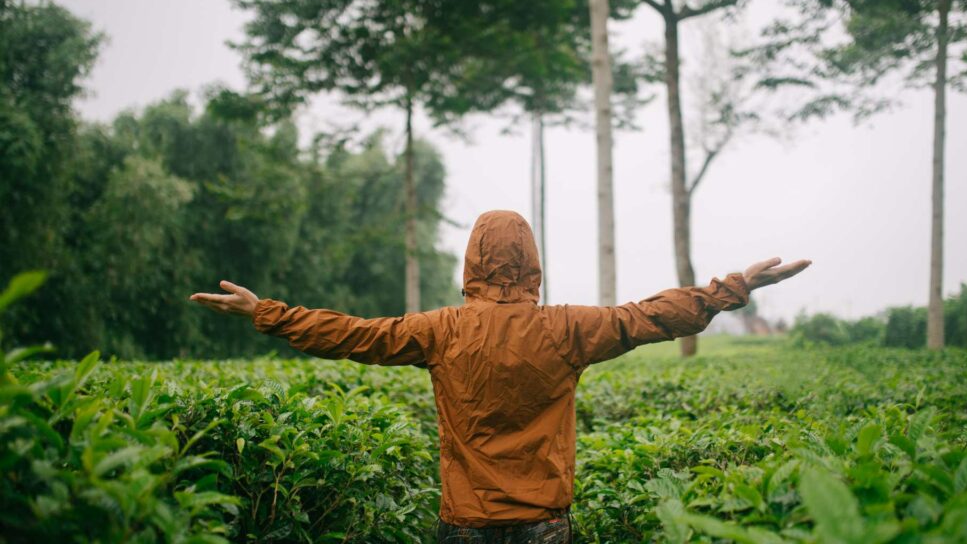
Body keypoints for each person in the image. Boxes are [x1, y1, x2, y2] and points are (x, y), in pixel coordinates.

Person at [191, 210, 810, 543]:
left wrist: (266, 312)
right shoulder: (567, 328)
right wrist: (736, 288)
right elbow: (647, 317)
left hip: (462, 522)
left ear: (472, 262)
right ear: (532, 264)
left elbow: (356, 335)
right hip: (545, 523)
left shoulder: (441, 330)